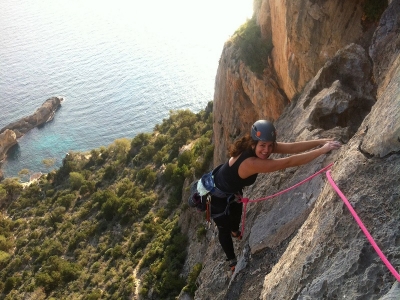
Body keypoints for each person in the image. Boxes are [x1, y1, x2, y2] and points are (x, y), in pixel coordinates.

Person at [210, 120, 342, 272]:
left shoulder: (260, 144)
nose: (266, 150)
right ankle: (232, 260)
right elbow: (289, 161)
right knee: (223, 228)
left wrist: (322, 141)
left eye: (270, 145)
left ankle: (235, 231)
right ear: (254, 143)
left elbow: (292, 148)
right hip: (216, 195)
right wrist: (321, 151)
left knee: (236, 213)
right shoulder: (251, 162)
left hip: (231, 188)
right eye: (263, 146)